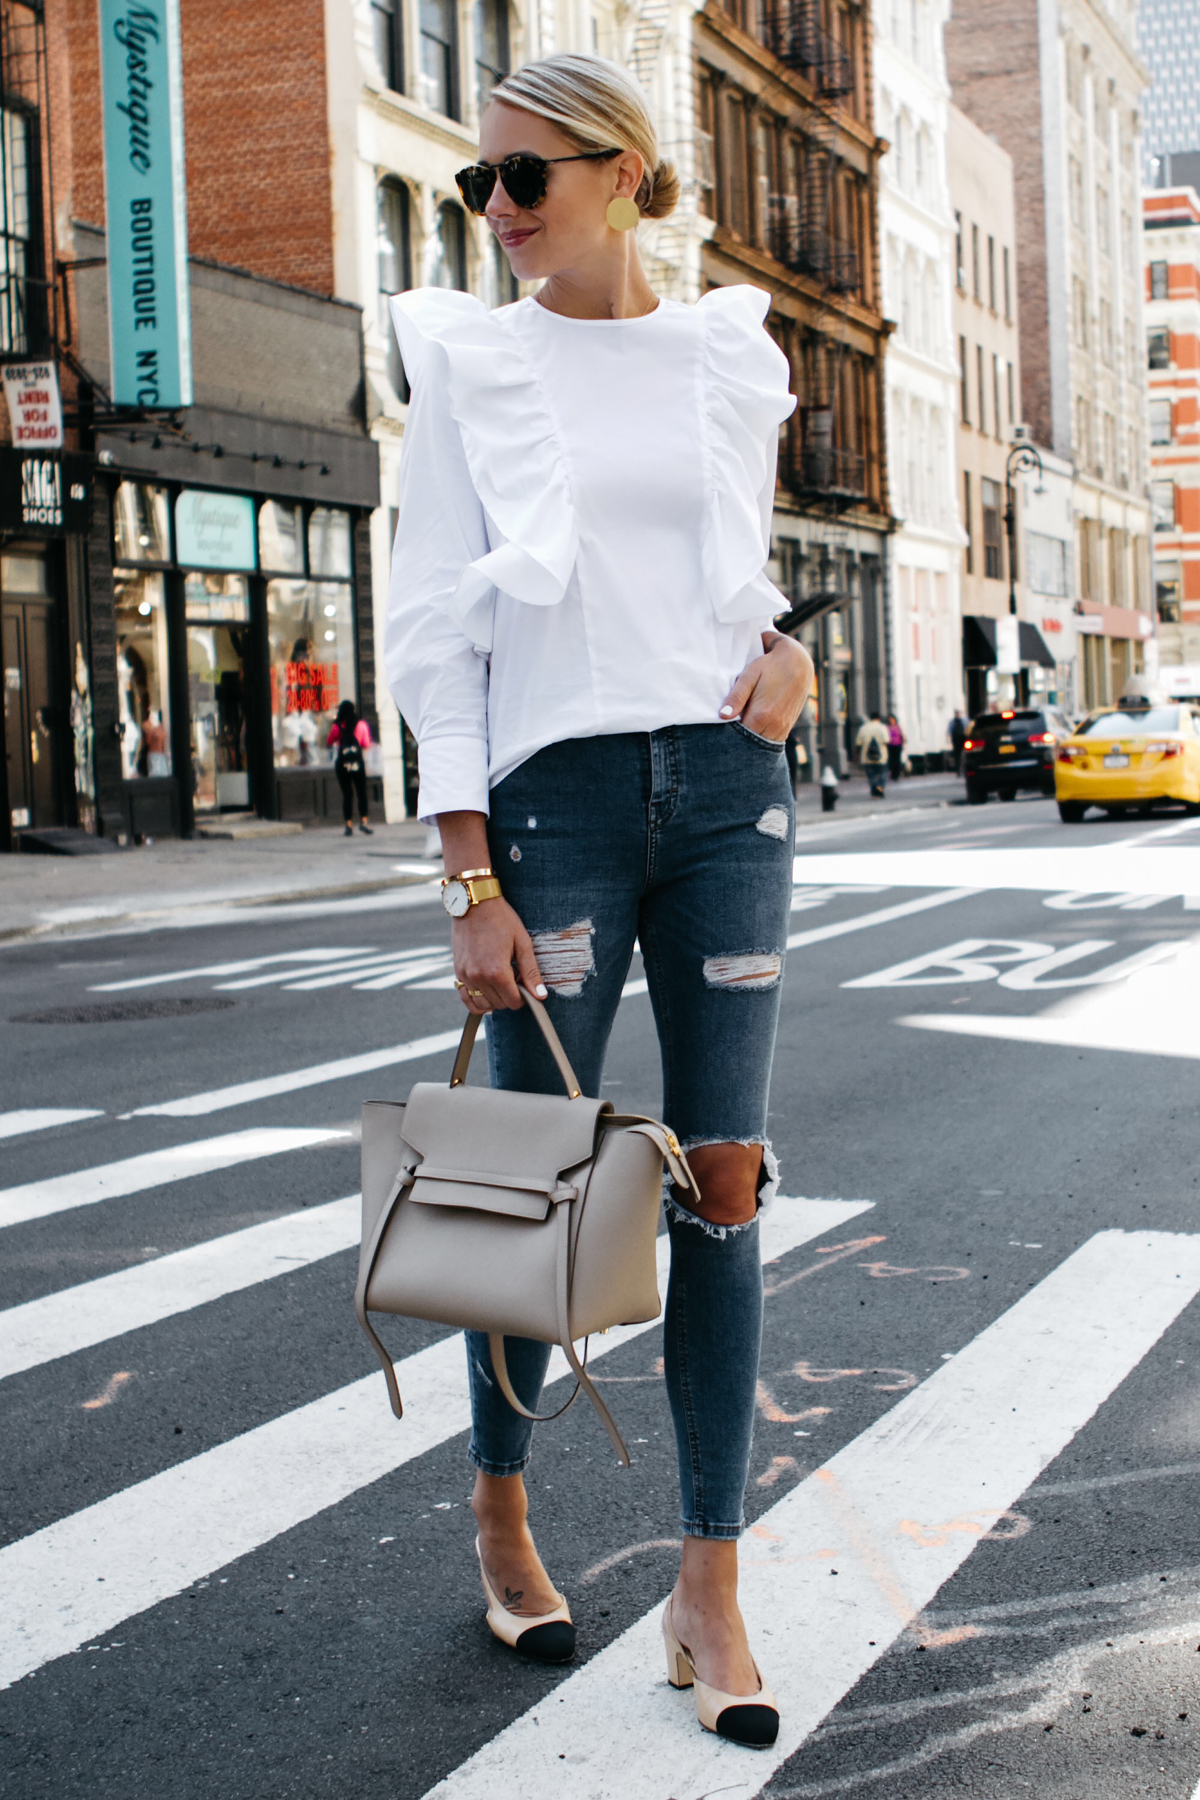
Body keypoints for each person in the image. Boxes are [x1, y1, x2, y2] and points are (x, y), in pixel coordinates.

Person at [385, 52, 813, 1749]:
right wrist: (468, 870)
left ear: (625, 175)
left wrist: (784, 654)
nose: (494, 212)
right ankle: (503, 1514)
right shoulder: (472, 360)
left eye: (524, 180)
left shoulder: (725, 350)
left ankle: (708, 1587)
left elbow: (731, 581)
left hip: (724, 798)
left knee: (721, 1184)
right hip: (550, 811)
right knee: (519, 1184)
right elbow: (436, 630)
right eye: (475, 185)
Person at [327, 699, 373, 836]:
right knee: (361, 793)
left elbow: (329, 741)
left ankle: (348, 824)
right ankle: (364, 822)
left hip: (342, 764)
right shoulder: (361, 724)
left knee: (347, 794)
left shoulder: (337, 726)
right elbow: (367, 744)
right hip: (358, 763)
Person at [857, 711, 890, 797]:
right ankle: (879, 787)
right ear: (878, 718)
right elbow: (887, 740)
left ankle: (874, 789)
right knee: (883, 773)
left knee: (871, 775)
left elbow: (858, 743)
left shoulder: (863, 728)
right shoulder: (882, 727)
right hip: (881, 756)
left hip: (867, 756)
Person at [886, 712, 905, 782]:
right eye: (890, 720)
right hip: (890, 745)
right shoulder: (887, 727)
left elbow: (902, 736)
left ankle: (896, 775)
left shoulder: (898, 727)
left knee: (897, 760)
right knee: (891, 760)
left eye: (892, 719)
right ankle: (892, 773)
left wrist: (903, 743)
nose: (891, 721)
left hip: (897, 745)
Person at [947, 709, 966, 775]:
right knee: (958, 756)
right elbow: (949, 731)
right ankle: (958, 770)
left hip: (961, 741)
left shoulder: (961, 721)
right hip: (957, 741)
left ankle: (961, 769)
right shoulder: (954, 722)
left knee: (961, 756)